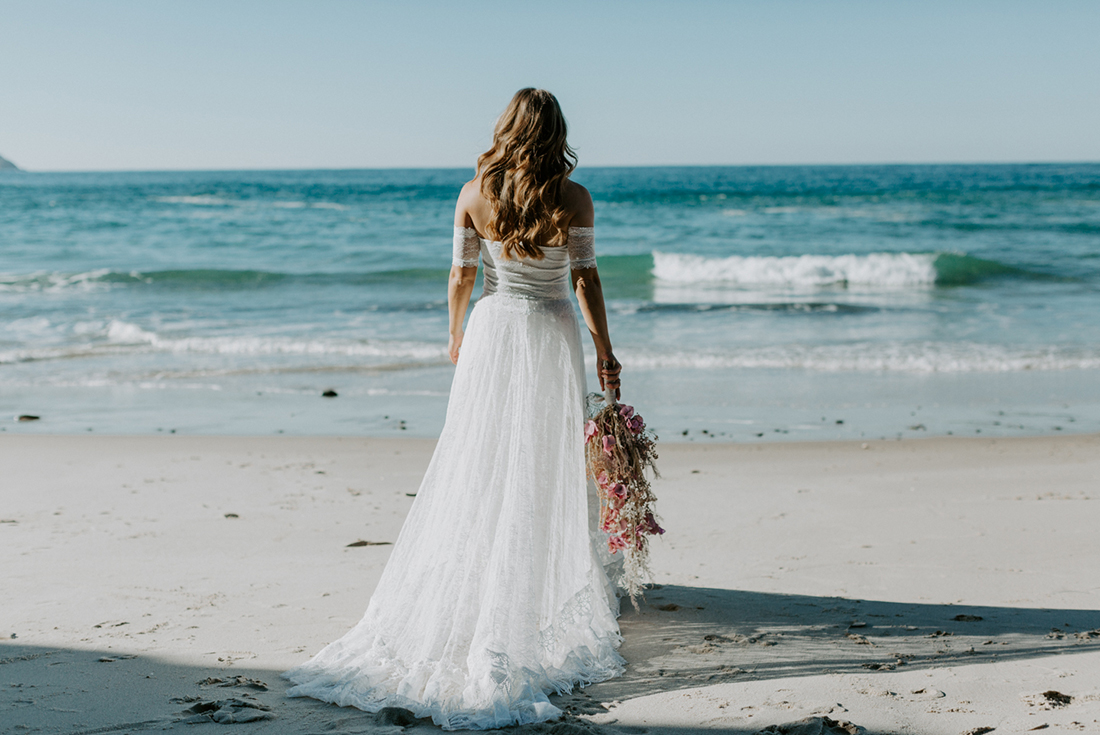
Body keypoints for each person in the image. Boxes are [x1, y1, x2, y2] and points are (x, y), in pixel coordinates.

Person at [283, 88, 625, 729]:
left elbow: (460, 276)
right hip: (549, 333)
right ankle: (524, 600)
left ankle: (478, 592)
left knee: (480, 458)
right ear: (555, 132)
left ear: (505, 128)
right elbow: (585, 278)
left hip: (493, 333)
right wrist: (606, 349)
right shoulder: (574, 197)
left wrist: (454, 335)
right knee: (537, 463)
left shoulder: (473, 194)